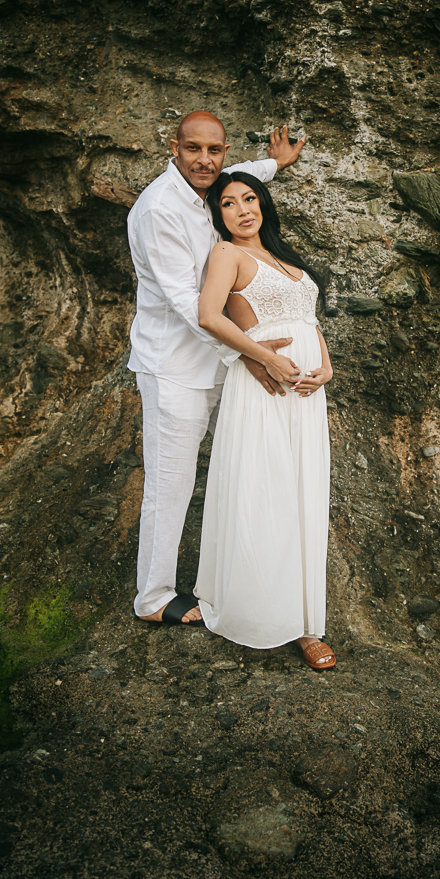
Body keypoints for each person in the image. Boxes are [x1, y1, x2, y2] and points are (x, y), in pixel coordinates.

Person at [127, 112, 305, 625]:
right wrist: (251, 355)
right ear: (172, 147)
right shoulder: (160, 209)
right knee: (171, 482)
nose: (205, 160)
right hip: (174, 367)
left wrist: (272, 164)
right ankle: (153, 598)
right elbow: (189, 303)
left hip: (215, 362)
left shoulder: (208, 186)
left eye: (215, 149)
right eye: (192, 149)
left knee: (232, 471)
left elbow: (232, 180)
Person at [194, 172, 336, 670]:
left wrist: (328, 366)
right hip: (265, 387)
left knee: (302, 495)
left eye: (250, 198)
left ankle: (303, 621)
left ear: (263, 203)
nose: (242, 209)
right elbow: (210, 315)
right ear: (219, 216)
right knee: (267, 494)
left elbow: (308, 321)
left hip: (304, 393)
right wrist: (264, 358)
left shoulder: (287, 259)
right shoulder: (227, 255)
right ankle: (269, 616)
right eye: (228, 203)